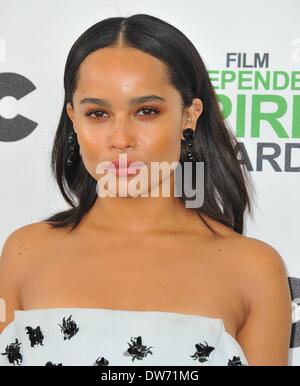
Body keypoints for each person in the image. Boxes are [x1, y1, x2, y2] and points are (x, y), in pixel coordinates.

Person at [0, 14, 292, 366]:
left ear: (189, 115)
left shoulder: (253, 269)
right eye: (98, 114)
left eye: (146, 111)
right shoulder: (25, 253)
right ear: (73, 118)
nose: (121, 139)